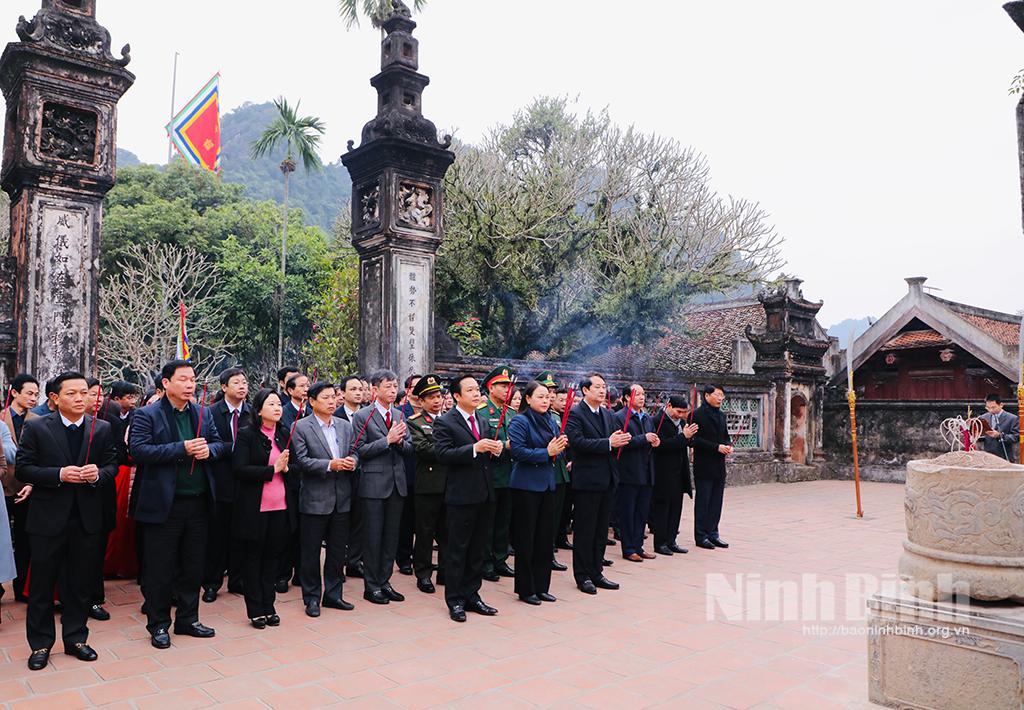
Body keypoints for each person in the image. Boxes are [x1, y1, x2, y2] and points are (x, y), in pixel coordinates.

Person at [16, 371, 118, 670]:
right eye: (72, 393)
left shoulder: (101, 428)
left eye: (84, 392)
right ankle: (40, 644)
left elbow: (112, 463)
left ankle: (76, 638)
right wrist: (58, 475)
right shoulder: (37, 427)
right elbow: (24, 468)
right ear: (55, 398)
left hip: (87, 520)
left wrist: (98, 474)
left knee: (79, 584)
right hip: (48, 519)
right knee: (42, 587)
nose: (79, 398)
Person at [129, 360, 229, 649]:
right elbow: (139, 451)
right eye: (183, 379)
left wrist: (209, 450)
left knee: (193, 565)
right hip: (164, 505)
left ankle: (188, 618)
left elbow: (222, 444)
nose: (189, 385)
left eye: (192, 379)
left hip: (198, 503)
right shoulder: (147, 414)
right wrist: (182, 449)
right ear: (166, 383)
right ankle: (159, 624)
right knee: (160, 568)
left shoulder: (203, 413)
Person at [433, 374, 503, 622]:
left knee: (477, 551)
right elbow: (442, 454)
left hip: (484, 494)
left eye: (477, 389)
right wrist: (475, 448)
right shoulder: (445, 422)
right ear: (456, 396)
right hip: (460, 496)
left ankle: (472, 595)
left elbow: (485, 455)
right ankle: (455, 601)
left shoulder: (482, 421)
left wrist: (493, 450)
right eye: (470, 390)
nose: (477, 394)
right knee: (457, 551)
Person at [292, 381, 359, 616]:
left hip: (342, 498)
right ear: (312, 401)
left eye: (334, 397)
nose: (332, 402)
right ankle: (311, 597)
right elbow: (301, 460)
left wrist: (352, 462)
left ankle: (334, 594)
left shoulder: (343, 426)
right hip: (314, 499)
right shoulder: (301, 426)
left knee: (337, 551)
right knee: (310, 552)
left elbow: (354, 451)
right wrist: (330, 465)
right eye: (326, 398)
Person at [231, 389, 293, 628]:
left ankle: (269, 605)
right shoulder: (247, 435)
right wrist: (272, 470)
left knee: (272, 559)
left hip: (281, 506)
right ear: (258, 410)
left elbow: (294, 468)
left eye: (279, 404)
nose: (278, 408)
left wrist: (287, 469)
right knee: (253, 559)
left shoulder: (284, 433)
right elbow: (239, 470)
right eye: (271, 404)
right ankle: (255, 609)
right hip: (255, 508)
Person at [351, 369, 412, 605]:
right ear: (375, 390)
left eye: (395, 385)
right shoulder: (362, 416)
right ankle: (371, 585)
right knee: (373, 537)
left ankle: (385, 581)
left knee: (391, 537)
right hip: (374, 484)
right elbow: (359, 450)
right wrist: (387, 440)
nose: (393, 390)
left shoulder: (399, 414)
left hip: (397, 483)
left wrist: (398, 442)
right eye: (388, 386)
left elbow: (409, 449)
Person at [565, 373, 629, 595]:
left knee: (601, 530)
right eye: (598, 387)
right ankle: (582, 575)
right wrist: (608, 443)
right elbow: (578, 443)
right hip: (587, 481)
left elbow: (610, 441)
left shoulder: (607, 413)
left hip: (607, 478)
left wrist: (618, 440)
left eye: (604, 387)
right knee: (585, 530)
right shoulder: (575, 414)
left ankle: (597, 571)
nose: (603, 391)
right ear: (585, 390)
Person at [507, 381, 567, 605]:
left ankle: (542, 586)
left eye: (547, 396)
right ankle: (526, 588)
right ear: (528, 399)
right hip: (526, 486)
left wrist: (558, 449)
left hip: (547, 484)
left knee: (544, 538)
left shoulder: (551, 420)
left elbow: (557, 453)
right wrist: (547, 451)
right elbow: (519, 452)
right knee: (526, 539)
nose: (545, 400)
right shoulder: (519, 421)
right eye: (540, 396)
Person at [202, 367, 250, 602]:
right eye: (237, 383)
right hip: (220, 482)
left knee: (241, 534)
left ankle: (238, 579)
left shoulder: (253, 413)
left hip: (246, 484)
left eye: (244, 382)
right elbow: (211, 445)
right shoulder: (210, 413)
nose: (242, 386)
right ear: (224, 387)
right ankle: (211, 583)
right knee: (217, 536)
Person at [407, 375, 447, 594]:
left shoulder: (451, 419)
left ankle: (445, 571)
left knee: (448, 531)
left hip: (450, 483)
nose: (436, 400)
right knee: (424, 531)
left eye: (439, 396)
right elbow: (423, 449)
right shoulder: (415, 422)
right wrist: (450, 450)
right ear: (421, 402)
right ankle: (423, 573)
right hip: (428, 484)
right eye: (430, 397)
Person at [614, 384, 660, 562]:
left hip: (647, 470)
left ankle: (639, 545)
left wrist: (654, 440)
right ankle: (628, 548)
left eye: (643, 394)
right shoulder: (619, 417)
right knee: (628, 512)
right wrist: (644, 438)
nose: (641, 397)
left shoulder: (647, 417)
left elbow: (651, 436)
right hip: (629, 471)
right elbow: (622, 441)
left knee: (642, 511)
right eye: (637, 394)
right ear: (626, 398)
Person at [478, 365, 515, 582]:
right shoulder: (483, 413)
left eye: (508, 386)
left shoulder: (510, 412)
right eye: (502, 385)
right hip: (491, 474)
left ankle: (500, 559)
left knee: (504, 521)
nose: (506, 390)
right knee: (488, 522)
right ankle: (486, 562)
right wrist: (504, 444)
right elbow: (482, 440)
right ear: (491, 388)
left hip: (510, 474)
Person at [2, 373, 37, 602]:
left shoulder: (38, 421)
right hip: (3, 486)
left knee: (25, 540)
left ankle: (22, 588)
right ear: (14, 392)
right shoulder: (2, 418)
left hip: (25, 487)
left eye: (36, 394)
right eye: (29, 393)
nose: (33, 398)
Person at [651, 395, 699, 556]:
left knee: (676, 508)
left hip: (680, 470)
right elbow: (661, 446)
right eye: (678, 411)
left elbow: (686, 442)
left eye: (684, 412)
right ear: (669, 406)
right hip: (663, 471)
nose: (680, 415)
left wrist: (690, 438)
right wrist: (683, 437)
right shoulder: (657, 422)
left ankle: (672, 541)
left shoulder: (683, 423)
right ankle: (660, 543)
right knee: (662, 509)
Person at [277, 372, 310, 591]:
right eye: (302, 386)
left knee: (306, 530)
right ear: (289, 390)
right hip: (289, 477)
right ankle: (282, 573)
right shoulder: (283, 414)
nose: (306, 389)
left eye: (308, 385)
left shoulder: (313, 412)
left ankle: (302, 572)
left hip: (311, 479)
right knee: (287, 529)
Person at [691, 385, 733, 550]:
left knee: (716, 501)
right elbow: (695, 440)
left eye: (722, 395)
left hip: (719, 465)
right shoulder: (697, 415)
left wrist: (728, 445)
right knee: (703, 501)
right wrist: (716, 447)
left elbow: (725, 436)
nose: (720, 398)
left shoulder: (722, 415)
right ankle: (701, 536)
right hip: (704, 464)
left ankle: (713, 533)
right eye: (717, 395)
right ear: (707, 395)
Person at [333, 375, 366, 581]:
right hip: (339, 476)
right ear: (342, 393)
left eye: (360, 389)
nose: (358, 393)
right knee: (340, 522)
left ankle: (355, 561)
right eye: (353, 389)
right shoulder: (335, 416)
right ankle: (338, 563)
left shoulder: (368, 415)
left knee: (360, 521)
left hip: (364, 475)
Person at [540, 372, 571, 572]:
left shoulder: (554, 416)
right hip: (542, 469)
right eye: (546, 391)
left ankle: (549, 551)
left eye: (552, 391)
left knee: (555, 515)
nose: (550, 395)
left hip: (558, 470)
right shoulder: (529, 417)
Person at [396, 374, 422, 576]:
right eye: (416, 386)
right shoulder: (400, 412)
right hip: (408, 470)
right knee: (406, 519)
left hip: (429, 474)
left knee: (422, 520)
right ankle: (404, 557)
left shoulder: (435, 412)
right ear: (408, 390)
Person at [979, 394, 1020, 462]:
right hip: (988, 456)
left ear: (1001, 405)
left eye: (993, 407)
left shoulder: (1012, 418)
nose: (991, 410)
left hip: (1004, 456)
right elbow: (982, 436)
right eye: (988, 408)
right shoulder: (983, 417)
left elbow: (1016, 437)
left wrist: (999, 435)